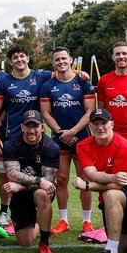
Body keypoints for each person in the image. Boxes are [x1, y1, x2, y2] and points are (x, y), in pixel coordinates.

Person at [74, 108, 127, 253]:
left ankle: (112, 251)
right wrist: (111, 177)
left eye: (104, 123)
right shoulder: (82, 146)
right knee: (125, 244)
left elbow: (118, 184)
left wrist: (86, 185)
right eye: (96, 123)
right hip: (110, 198)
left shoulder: (124, 145)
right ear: (90, 126)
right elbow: (90, 173)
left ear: (112, 124)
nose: (100, 127)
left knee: (111, 193)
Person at [0, 46, 52, 231]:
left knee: (39, 177)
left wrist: (80, 73)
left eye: (22, 56)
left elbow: (63, 71)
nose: (19, 59)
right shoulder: (4, 81)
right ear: (10, 61)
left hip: (36, 138)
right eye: (15, 57)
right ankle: (9, 214)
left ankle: (41, 219)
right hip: (12, 139)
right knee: (10, 178)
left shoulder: (40, 76)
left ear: (28, 57)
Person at [39, 46, 96, 236]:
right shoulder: (48, 85)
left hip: (82, 137)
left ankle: (87, 222)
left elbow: (90, 111)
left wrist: (73, 131)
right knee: (61, 179)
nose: (61, 62)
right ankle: (64, 220)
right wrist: (60, 131)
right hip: (60, 138)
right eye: (57, 60)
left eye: (64, 59)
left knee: (84, 179)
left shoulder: (83, 82)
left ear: (70, 60)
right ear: (53, 63)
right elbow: (45, 113)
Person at [0, 110, 60, 253]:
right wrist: (38, 180)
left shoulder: (51, 147)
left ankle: (44, 243)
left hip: (36, 191)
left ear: (42, 127)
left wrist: (21, 185)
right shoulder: (11, 144)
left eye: (35, 126)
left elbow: (49, 183)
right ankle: (39, 223)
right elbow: (12, 174)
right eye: (28, 126)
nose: (31, 130)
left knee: (42, 194)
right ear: (22, 127)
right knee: (25, 242)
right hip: (21, 194)